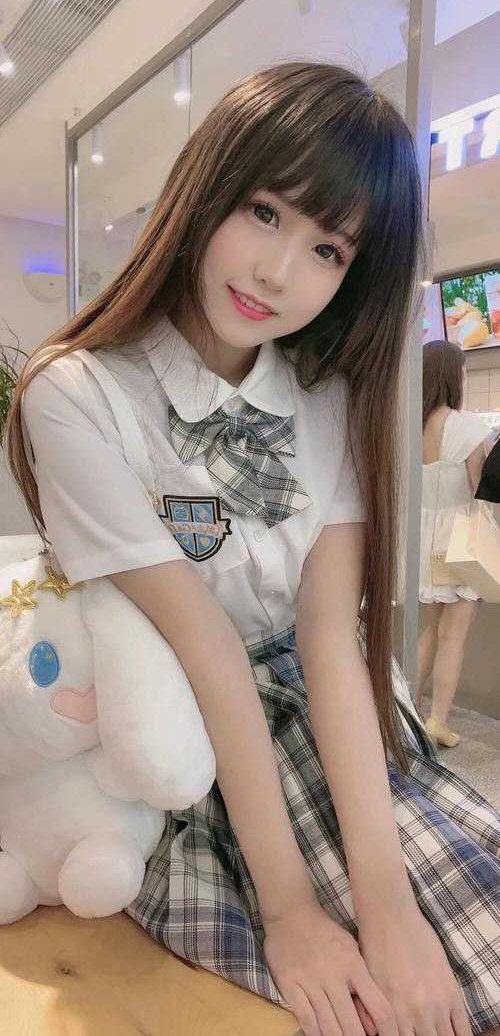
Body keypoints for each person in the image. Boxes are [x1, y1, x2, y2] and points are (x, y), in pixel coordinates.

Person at [6, 63, 500, 1036]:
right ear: (207, 188)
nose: (278, 271)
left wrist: (387, 901)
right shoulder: (77, 392)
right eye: (264, 212)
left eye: (327, 248)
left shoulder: (326, 396)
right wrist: (290, 912)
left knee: (457, 929)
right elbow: (202, 645)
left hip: (332, 717)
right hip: (178, 730)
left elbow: (328, 641)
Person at [416, 341, 492, 748]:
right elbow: (481, 489)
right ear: (451, 375)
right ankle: (437, 721)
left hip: (426, 537)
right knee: (453, 637)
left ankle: (407, 710)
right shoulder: (468, 427)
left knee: (431, 630)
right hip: (461, 538)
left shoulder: (412, 423)